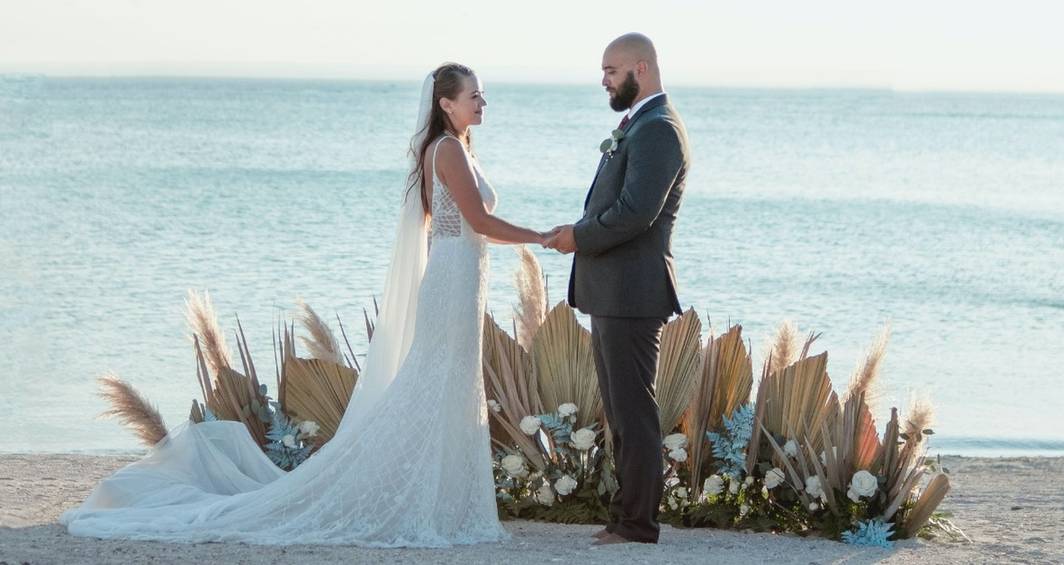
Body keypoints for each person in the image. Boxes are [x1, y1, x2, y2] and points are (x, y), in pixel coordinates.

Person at [60, 63, 546, 547]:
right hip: (452, 277)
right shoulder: (447, 150)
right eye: (474, 96)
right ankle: (412, 493)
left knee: (446, 381)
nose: (482, 104)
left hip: (458, 276)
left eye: (483, 96)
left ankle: (441, 497)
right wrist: (544, 237)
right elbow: (478, 222)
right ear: (446, 103)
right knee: (436, 379)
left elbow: (459, 226)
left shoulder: (452, 148)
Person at [544, 33, 690, 545]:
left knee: (634, 412)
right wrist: (577, 236)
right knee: (621, 412)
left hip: (633, 292)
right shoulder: (639, 125)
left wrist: (576, 238)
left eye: (611, 70)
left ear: (641, 68)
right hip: (613, 291)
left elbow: (635, 213)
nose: (603, 79)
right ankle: (625, 516)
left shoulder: (659, 130)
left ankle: (638, 524)